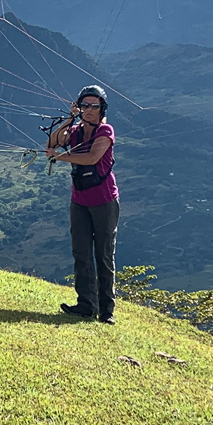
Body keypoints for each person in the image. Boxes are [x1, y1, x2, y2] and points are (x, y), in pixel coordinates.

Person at [46, 85, 119, 324]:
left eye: (93, 106)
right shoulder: (75, 131)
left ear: (102, 108)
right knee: (81, 251)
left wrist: (60, 156)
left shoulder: (105, 131)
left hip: (104, 201)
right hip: (79, 199)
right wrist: (69, 118)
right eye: (84, 105)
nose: (88, 110)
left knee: (103, 253)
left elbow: (91, 158)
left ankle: (107, 311)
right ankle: (86, 305)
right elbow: (54, 140)